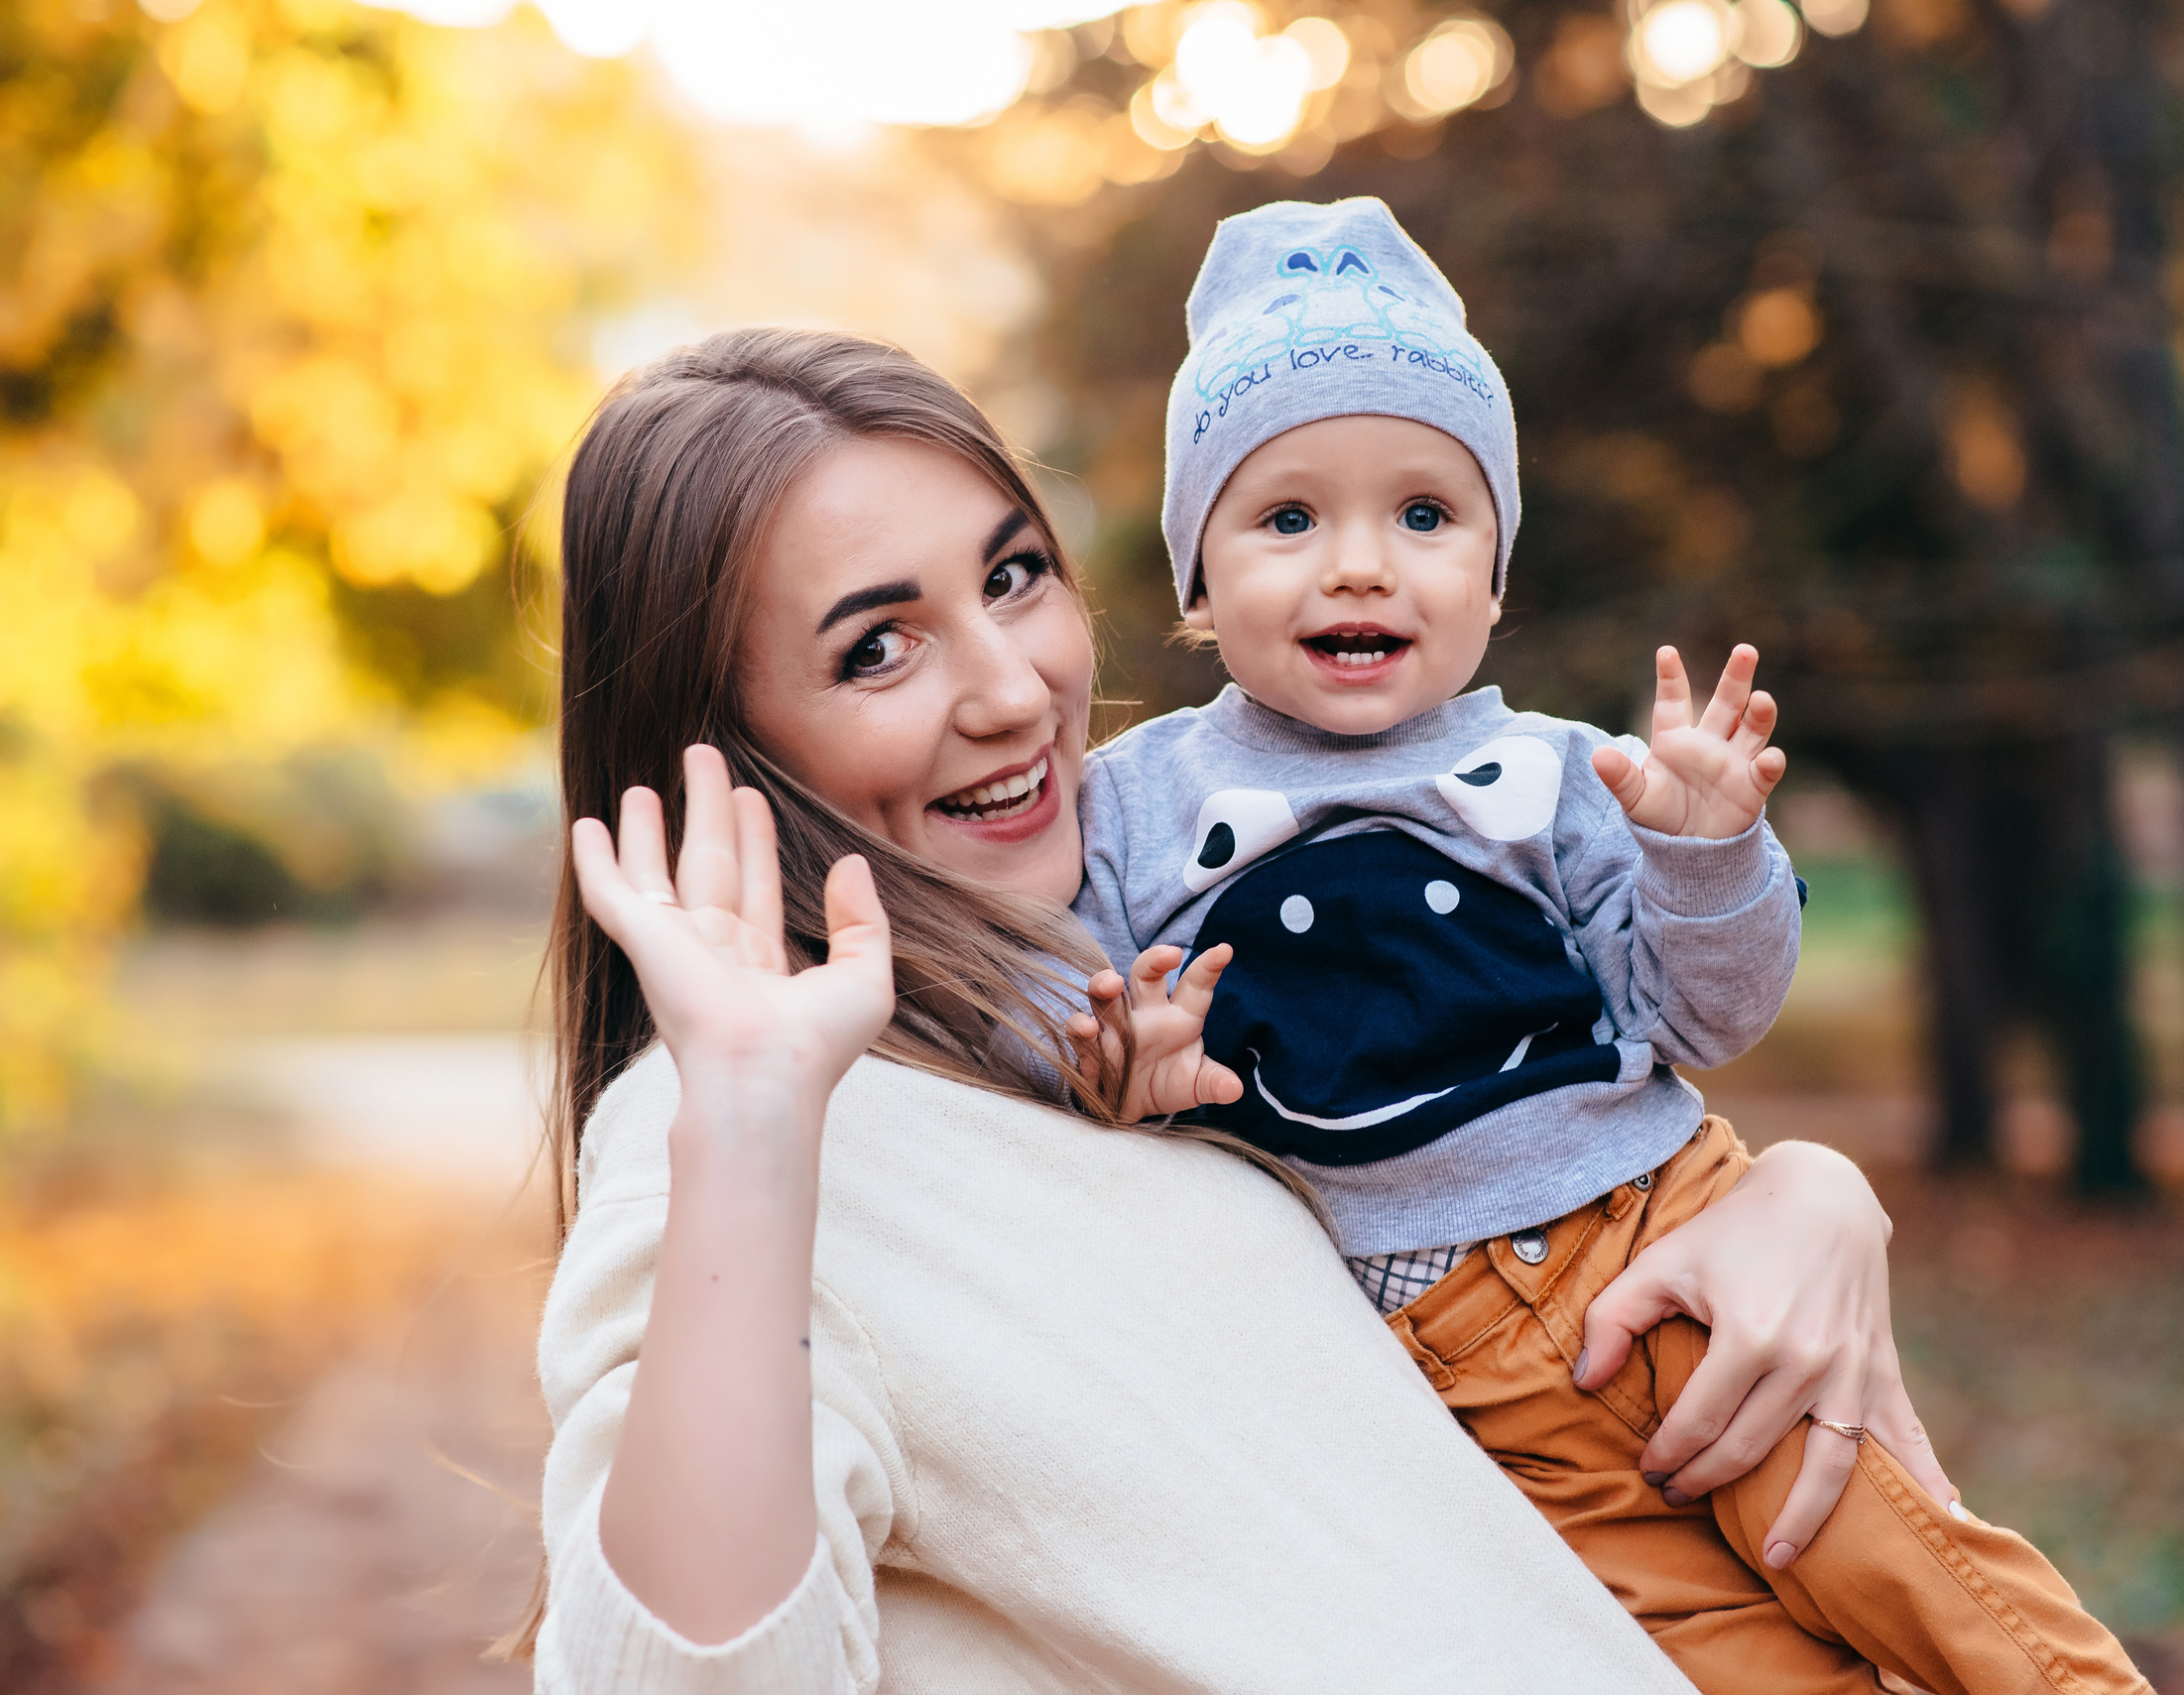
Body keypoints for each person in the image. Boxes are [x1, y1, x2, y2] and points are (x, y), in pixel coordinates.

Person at [531, 325, 1963, 1692]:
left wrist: (1805, 1196)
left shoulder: (1136, 961)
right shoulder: (740, 1126)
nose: (1016, 691)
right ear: (721, 755)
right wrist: (746, 1130)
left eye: (1015, 576)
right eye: (876, 649)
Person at [1070, 198, 2149, 1694]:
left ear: (1496, 572)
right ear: (1198, 574)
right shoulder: (1133, 805)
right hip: (1460, 1388)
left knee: (1923, 1578)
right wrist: (1116, 1067)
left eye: (1425, 515)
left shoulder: (1564, 772)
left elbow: (1706, 1015)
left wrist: (1705, 854)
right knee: (1726, 1668)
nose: (1362, 566)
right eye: (1289, 518)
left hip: (1668, 1250)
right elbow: (1037, 1014)